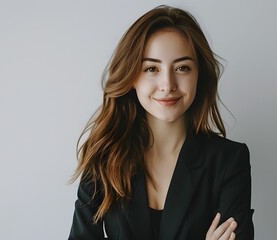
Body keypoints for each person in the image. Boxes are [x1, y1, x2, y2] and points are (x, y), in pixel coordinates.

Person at [68, 5, 254, 240]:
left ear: (200, 75)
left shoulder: (229, 160)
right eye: (152, 68)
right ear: (131, 77)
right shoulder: (104, 158)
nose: (167, 84)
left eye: (182, 68)